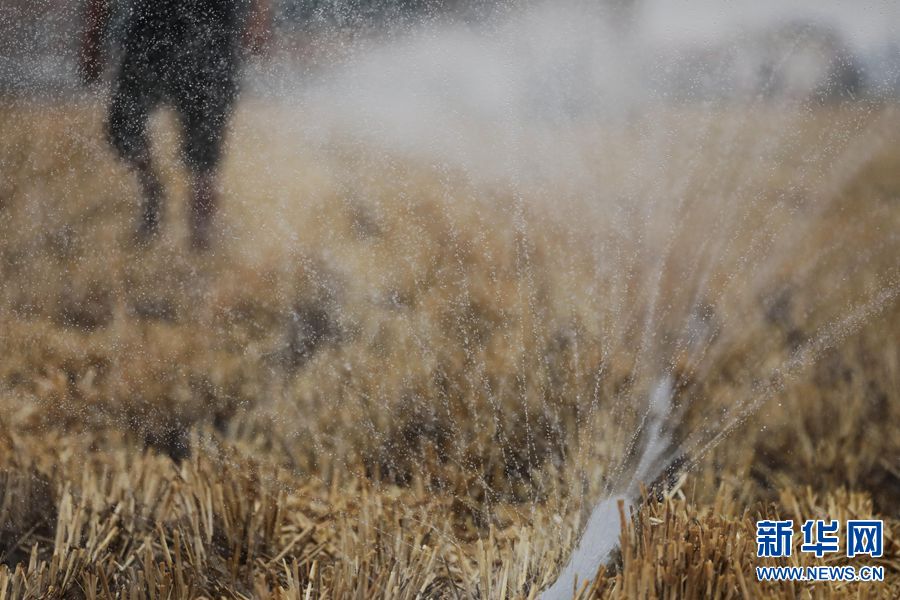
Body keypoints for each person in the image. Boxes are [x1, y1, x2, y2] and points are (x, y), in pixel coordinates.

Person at [80, 0, 271, 250]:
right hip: (152, 33)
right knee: (123, 127)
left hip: (214, 33)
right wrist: (93, 38)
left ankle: (200, 236)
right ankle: (153, 192)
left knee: (205, 149)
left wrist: (259, 24)